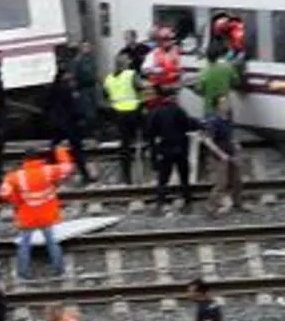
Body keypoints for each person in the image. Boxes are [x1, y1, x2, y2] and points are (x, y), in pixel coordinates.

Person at [1, 146, 75, 282]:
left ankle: (23, 274)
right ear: (39, 159)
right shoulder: (48, 171)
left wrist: (17, 201)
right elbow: (68, 167)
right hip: (46, 214)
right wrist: (60, 150)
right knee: (52, 242)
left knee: (24, 244)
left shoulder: (16, 176)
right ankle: (59, 271)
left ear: (24, 160)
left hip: (27, 215)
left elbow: (5, 192)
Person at [146, 92, 199, 211]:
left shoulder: (156, 112)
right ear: (173, 98)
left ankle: (160, 203)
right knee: (184, 177)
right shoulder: (179, 111)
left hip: (164, 149)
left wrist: (154, 152)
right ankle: (187, 202)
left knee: (163, 178)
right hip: (180, 148)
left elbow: (149, 132)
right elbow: (188, 125)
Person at [44, 70, 94, 184]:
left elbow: (46, 106)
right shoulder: (68, 90)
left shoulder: (52, 89)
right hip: (69, 125)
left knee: (54, 150)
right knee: (77, 150)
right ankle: (85, 175)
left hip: (57, 124)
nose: (72, 79)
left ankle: (47, 173)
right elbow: (73, 107)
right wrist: (81, 118)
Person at [103, 52, 143, 185]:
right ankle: (145, 168)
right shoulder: (131, 75)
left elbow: (106, 95)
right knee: (142, 138)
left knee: (124, 145)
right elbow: (141, 88)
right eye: (128, 60)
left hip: (118, 114)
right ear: (125, 63)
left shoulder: (109, 78)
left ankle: (127, 177)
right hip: (133, 112)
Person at [200, 94, 243, 215]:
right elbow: (207, 140)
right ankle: (211, 207)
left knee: (237, 181)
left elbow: (230, 136)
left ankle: (237, 203)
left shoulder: (228, 119)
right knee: (221, 183)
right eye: (223, 103)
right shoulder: (214, 121)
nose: (227, 105)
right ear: (218, 106)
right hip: (219, 157)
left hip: (231, 154)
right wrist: (220, 154)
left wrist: (236, 144)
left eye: (227, 102)